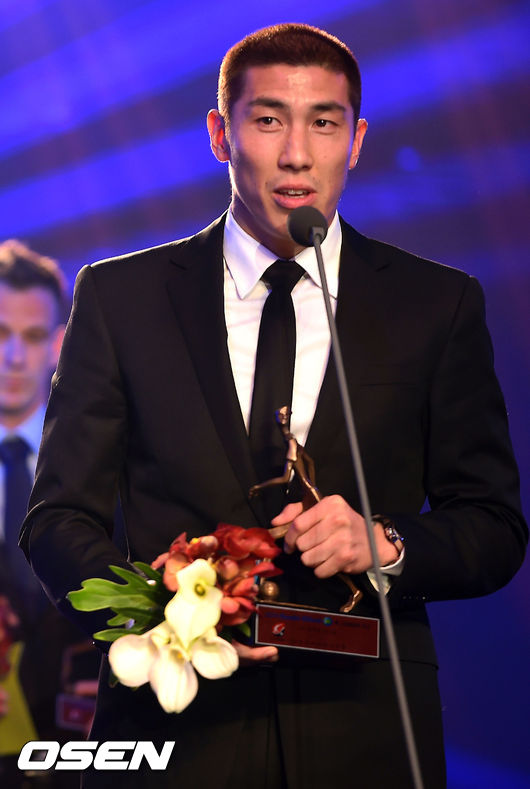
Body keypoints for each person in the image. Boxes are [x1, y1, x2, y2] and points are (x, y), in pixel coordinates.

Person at [20, 23, 526, 789]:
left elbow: (493, 526)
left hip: (365, 733)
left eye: (323, 122)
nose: (297, 153)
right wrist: (160, 618)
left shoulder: (436, 305)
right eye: (267, 119)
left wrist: (383, 541)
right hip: (173, 731)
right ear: (220, 134)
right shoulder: (121, 298)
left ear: (355, 141)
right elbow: (56, 521)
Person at [0, 241, 98, 787]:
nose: (15, 356)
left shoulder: (107, 462)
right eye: (0, 333)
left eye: (33, 336)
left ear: (59, 344)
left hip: (82, 749)